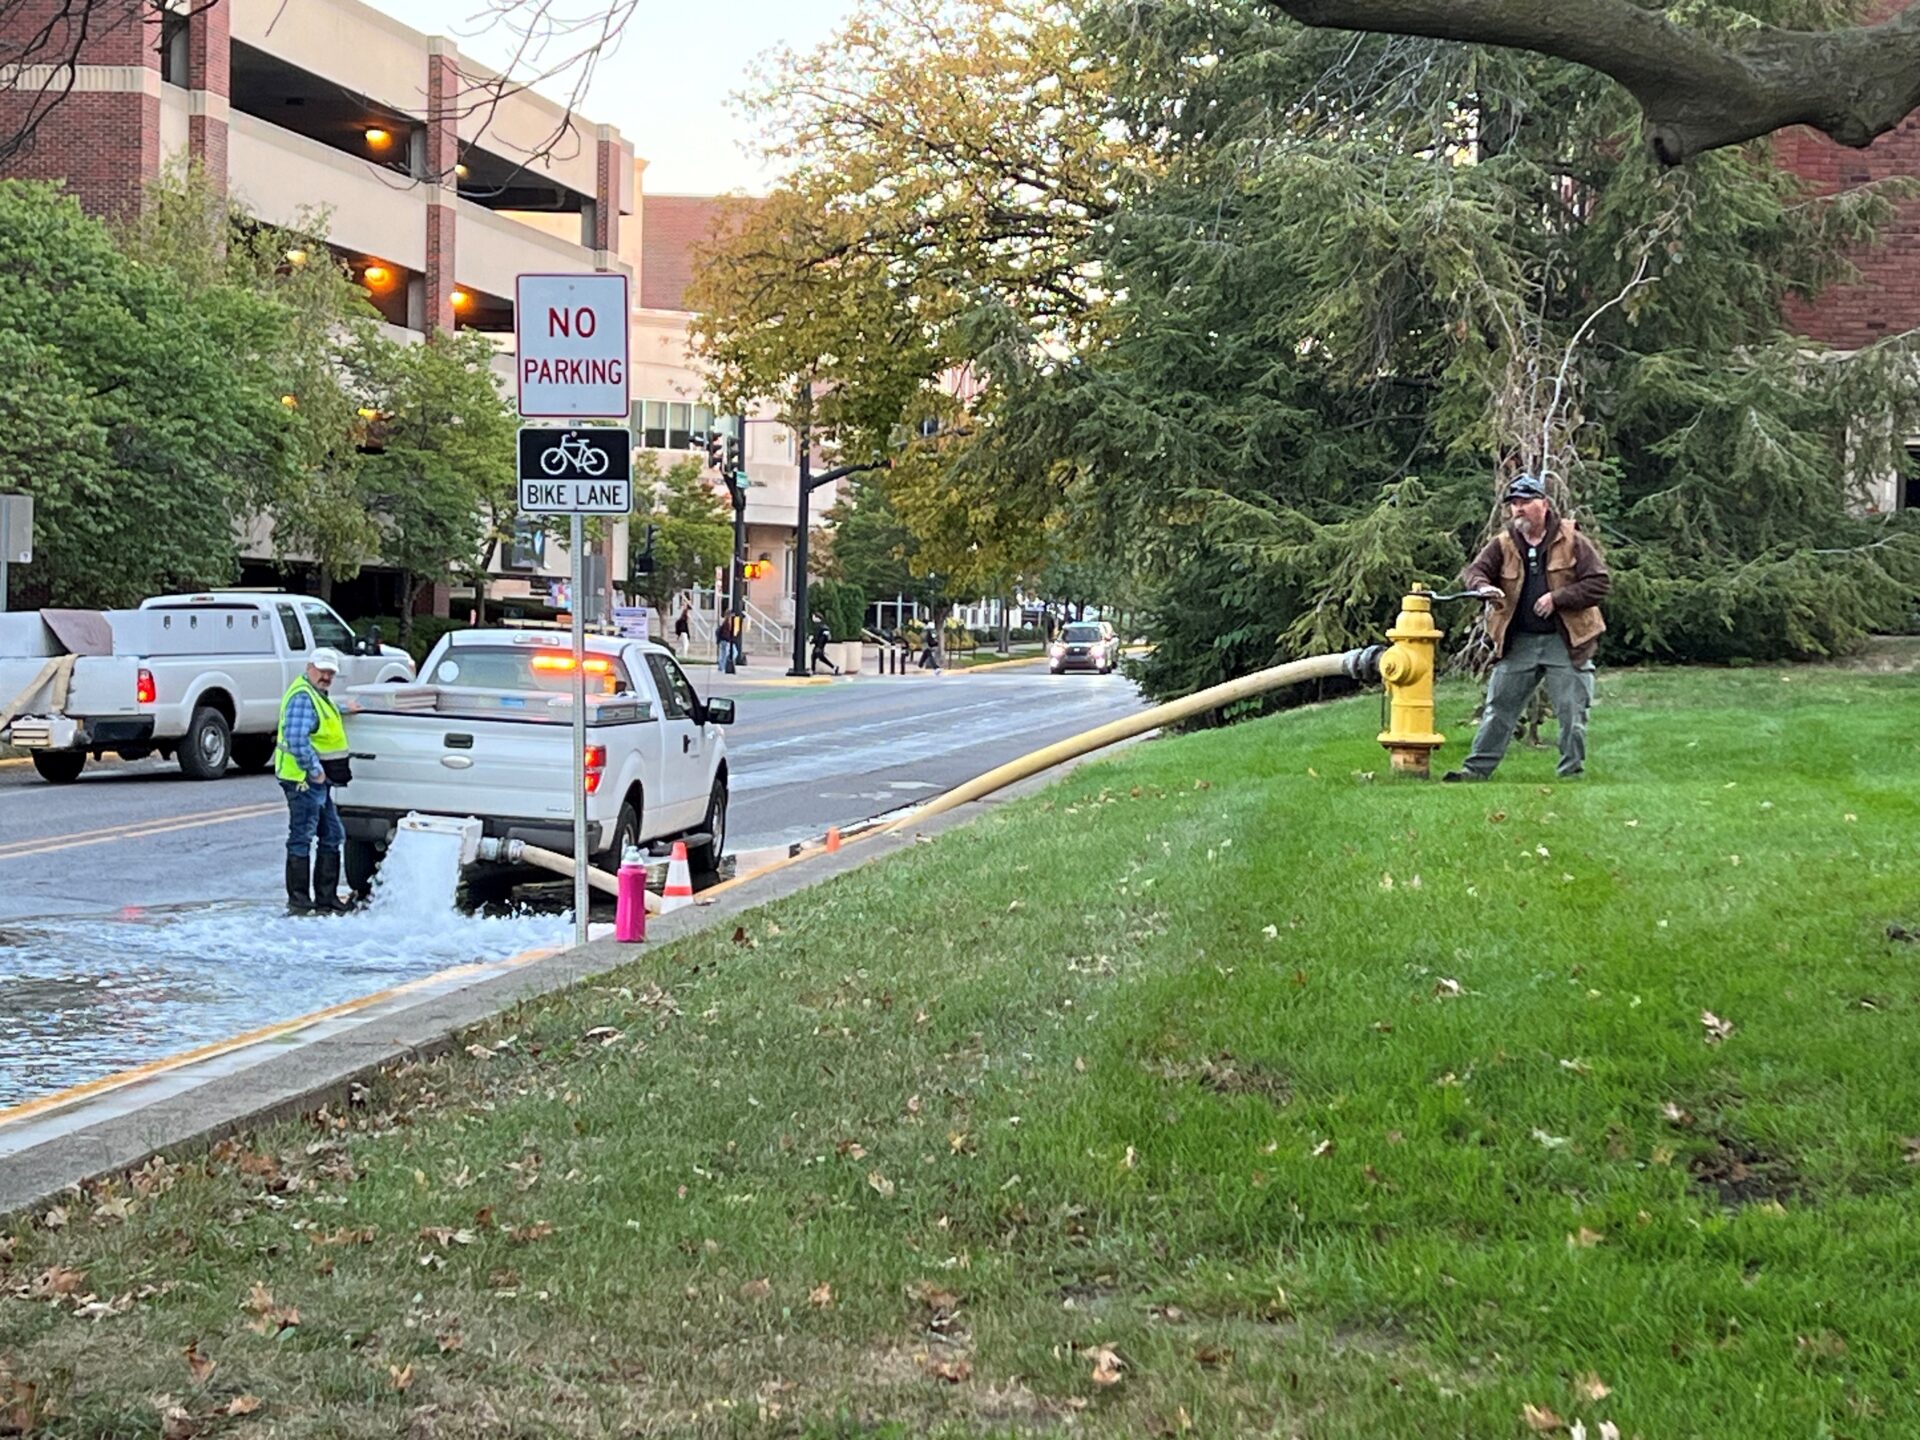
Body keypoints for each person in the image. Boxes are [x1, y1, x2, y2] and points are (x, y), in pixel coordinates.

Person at [1444, 474, 1611, 782]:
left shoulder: (1572, 539)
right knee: (1499, 710)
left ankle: (1570, 775)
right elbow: (1475, 571)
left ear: (1543, 505)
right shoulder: (1503, 542)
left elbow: (1599, 583)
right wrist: (1483, 588)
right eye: (1514, 504)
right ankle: (1476, 771)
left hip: (1566, 641)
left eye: (1525, 502)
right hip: (1518, 641)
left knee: (1571, 714)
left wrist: (1558, 598)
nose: (1518, 509)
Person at [274, 647, 359, 914]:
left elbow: (321, 716)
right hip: (303, 779)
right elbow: (297, 739)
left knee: (332, 834)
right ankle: (300, 902)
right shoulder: (303, 696)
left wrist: (346, 707)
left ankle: (326, 900)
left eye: (330, 672)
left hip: (314, 780)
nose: (326, 676)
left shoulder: (315, 694)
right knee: (302, 837)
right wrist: (314, 770)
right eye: (322, 670)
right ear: (309, 666)